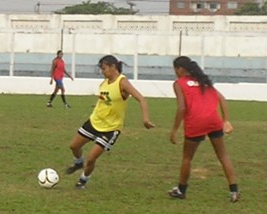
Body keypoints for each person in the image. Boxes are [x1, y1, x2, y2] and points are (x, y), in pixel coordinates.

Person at [65, 55, 155, 189]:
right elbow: (104, 99)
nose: (102, 71)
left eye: (104, 68)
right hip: (94, 121)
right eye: (101, 69)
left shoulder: (122, 82)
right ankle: (78, 163)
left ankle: (83, 180)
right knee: (73, 146)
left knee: (91, 158)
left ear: (113, 67)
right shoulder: (104, 83)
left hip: (110, 128)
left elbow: (141, 99)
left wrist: (145, 119)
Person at [168, 56, 240, 202]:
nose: (175, 72)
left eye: (175, 69)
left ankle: (181, 190)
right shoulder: (204, 82)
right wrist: (225, 120)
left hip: (196, 122)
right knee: (223, 156)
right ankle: (234, 191)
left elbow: (182, 107)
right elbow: (222, 99)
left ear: (180, 69)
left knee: (187, 157)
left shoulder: (179, 83)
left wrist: (175, 129)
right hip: (213, 120)